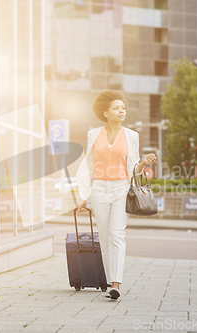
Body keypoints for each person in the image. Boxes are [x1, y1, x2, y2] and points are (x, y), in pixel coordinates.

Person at [75, 90, 156, 300]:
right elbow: (88, 166)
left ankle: (116, 283)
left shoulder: (132, 136)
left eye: (123, 107)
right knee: (104, 236)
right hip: (99, 189)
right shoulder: (93, 134)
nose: (122, 111)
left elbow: (134, 170)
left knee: (116, 233)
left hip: (122, 188)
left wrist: (144, 163)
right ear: (105, 112)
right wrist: (83, 196)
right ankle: (110, 280)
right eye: (116, 108)